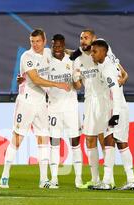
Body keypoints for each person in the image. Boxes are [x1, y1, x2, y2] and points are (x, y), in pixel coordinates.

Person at [0, 29, 70, 189]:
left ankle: (43, 179)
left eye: (38, 41)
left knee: (43, 138)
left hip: (41, 104)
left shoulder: (47, 53)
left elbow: (64, 52)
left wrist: (82, 53)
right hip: (26, 102)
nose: (35, 44)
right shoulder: (27, 56)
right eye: (32, 41)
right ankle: (5, 175)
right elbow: (36, 79)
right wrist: (58, 85)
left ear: (44, 41)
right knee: (17, 138)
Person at [70, 29, 128, 188]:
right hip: (89, 101)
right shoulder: (77, 60)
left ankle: (108, 178)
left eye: (86, 38)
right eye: (81, 38)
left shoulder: (102, 51)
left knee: (106, 138)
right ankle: (95, 179)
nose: (83, 40)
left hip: (104, 101)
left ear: (94, 40)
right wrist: (74, 79)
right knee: (89, 138)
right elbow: (78, 85)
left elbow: (117, 67)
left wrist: (124, 74)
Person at [90, 40, 134, 191]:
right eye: (92, 51)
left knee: (109, 141)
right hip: (121, 108)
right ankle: (131, 180)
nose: (92, 54)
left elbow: (115, 92)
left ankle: (107, 181)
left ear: (104, 52)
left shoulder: (107, 70)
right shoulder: (108, 62)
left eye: (95, 52)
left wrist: (115, 115)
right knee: (122, 143)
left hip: (115, 109)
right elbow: (122, 74)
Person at [46, 34, 83, 188]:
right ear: (52, 46)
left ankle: (78, 179)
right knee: (54, 143)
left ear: (64, 45)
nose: (58, 49)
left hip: (70, 108)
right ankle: (54, 178)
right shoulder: (47, 60)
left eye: (60, 46)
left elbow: (79, 86)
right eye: (55, 46)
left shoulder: (72, 60)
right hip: (53, 109)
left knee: (75, 142)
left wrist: (75, 78)